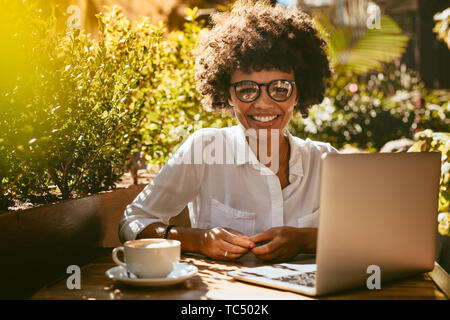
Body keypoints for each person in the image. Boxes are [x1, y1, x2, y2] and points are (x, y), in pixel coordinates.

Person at [118, 0, 338, 262]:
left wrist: (306, 239)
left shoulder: (325, 161)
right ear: (228, 94)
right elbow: (132, 222)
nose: (264, 103)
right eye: (247, 89)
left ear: (298, 92)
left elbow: (367, 233)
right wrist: (198, 240)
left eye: (280, 88)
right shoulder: (204, 149)